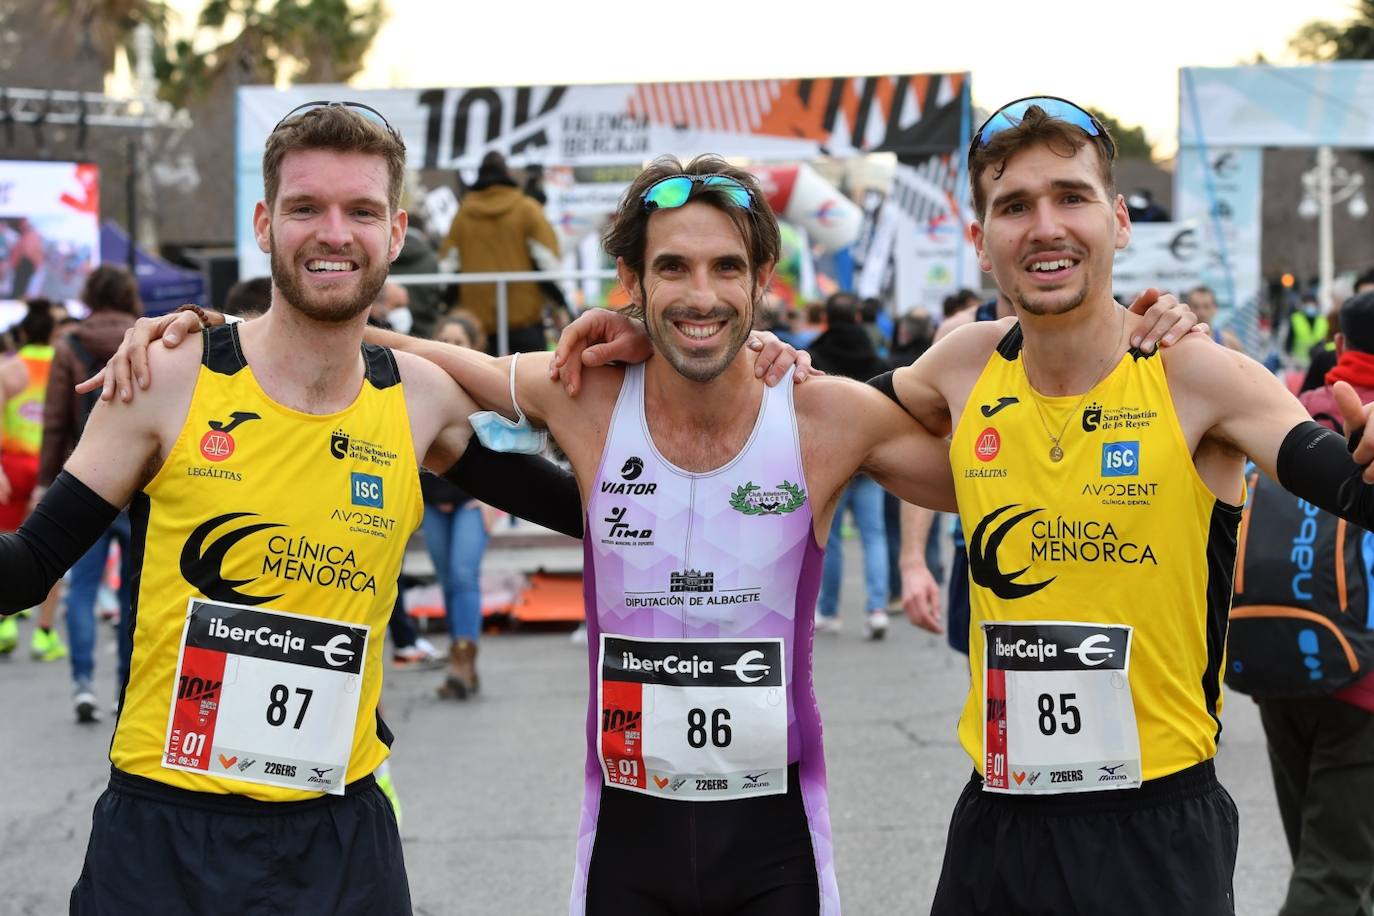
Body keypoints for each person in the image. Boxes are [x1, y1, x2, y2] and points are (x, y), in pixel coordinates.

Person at [363, 154, 1200, 915]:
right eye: (673, 268)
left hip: (778, 856)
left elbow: (1014, 474)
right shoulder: (581, 395)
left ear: (762, 278)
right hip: (622, 847)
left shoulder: (822, 416)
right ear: (631, 279)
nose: (701, 293)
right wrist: (268, 331)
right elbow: (426, 360)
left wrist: (1139, 352)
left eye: (728, 267)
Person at [0, 101, 586, 913]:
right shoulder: (170, 376)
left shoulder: (420, 400)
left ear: (396, 229)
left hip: (341, 843)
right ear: (266, 222)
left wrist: (742, 382)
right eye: (307, 208)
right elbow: (24, 572)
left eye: (362, 211)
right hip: (165, 837)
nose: (334, 233)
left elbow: (602, 511)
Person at [879, 95, 1374, 916]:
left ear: (1117, 221)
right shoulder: (963, 365)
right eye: (1014, 206)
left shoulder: (1195, 373)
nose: (1044, 226)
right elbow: (814, 416)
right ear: (981, 241)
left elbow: (1348, 485)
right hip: (998, 822)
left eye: (1070, 197)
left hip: (1154, 826)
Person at [1255, 289, 1374, 916]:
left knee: (1320, 854)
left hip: (1276, 655)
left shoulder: (1293, 412)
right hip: (1366, 680)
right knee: (1334, 875)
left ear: (1343, 346)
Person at [39, 266, 141, 720]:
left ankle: (83, 684)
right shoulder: (148, 339)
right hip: (140, 486)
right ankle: (126, 688)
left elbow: (56, 420)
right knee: (132, 595)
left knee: (82, 589)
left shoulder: (69, 345)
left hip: (82, 484)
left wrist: (47, 481)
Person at [807, 291, 894, 638]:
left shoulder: (814, 352)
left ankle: (829, 610)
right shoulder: (874, 355)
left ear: (828, 317)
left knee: (829, 538)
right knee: (874, 534)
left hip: (829, 459)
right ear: (858, 318)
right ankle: (877, 608)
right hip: (870, 458)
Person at [423, 314, 499, 698]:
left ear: (473, 346)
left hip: (473, 500)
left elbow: (506, 450)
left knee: (462, 575)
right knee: (448, 581)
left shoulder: (485, 388)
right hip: (434, 502)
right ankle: (460, 659)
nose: (451, 345)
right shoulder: (421, 385)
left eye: (459, 339)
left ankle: (462, 662)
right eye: (444, 338)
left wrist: (494, 503)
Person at [441, 151, 561, 353]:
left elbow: (448, 266)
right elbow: (548, 261)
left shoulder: (462, 215)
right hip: (524, 320)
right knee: (528, 382)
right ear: (506, 173)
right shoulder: (527, 209)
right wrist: (558, 302)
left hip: (477, 325)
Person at [0, 300, 65, 661]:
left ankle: (5, 624)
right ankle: (44, 633)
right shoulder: (62, 364)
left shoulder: (10, 369)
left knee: (7, 544)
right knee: (49, 552)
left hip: (11, 465)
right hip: (51, 469)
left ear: (23, 333)